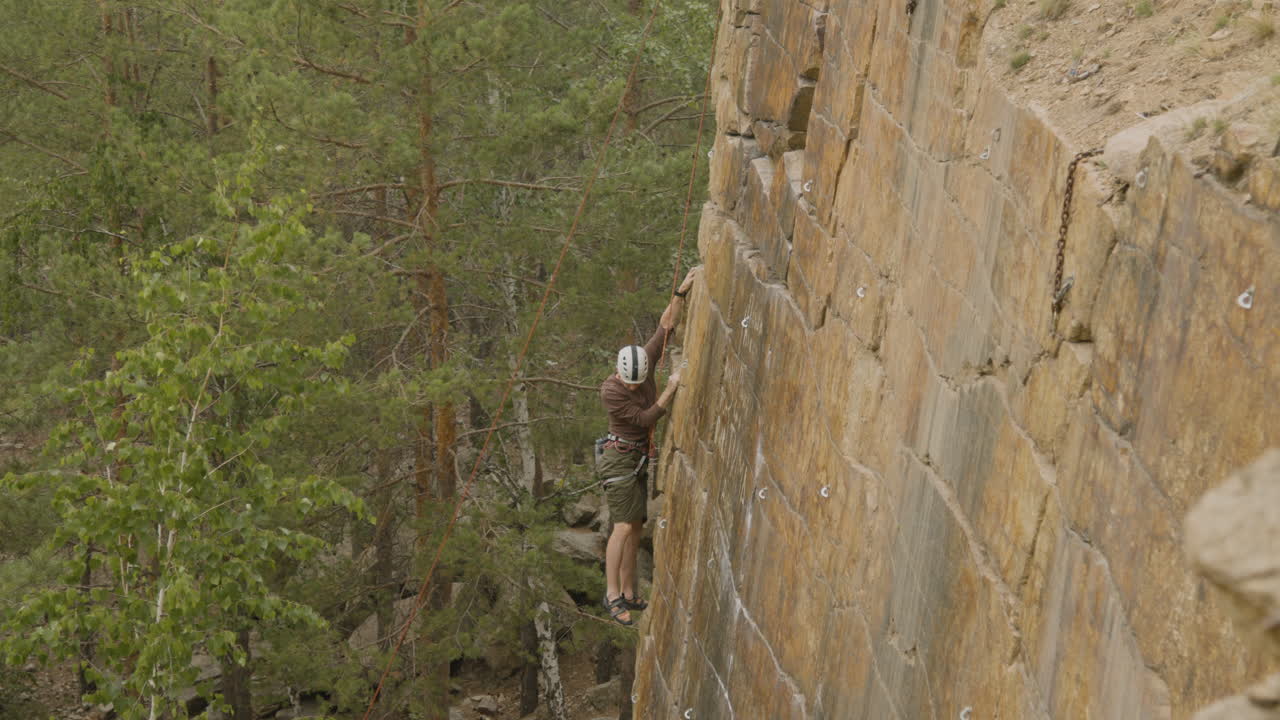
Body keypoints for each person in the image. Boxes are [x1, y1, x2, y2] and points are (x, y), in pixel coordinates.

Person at [598, 267, 699, 626]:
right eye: (631, 384)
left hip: (636, 458)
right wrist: (670, 389)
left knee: (637, 525)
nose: (632, 387)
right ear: (621, 375)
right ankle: (612, 595)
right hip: (619, 460)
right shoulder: (611, 390)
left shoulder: (642, 363)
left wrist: (681, 293)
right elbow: (643, 420)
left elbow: (665, 326)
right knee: (623, 527)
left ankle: (628, 590)